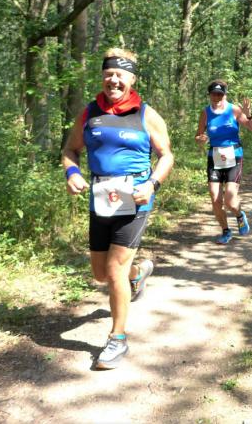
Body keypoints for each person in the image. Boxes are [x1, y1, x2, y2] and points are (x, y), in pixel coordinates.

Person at [62, 48, 174, 370]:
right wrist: (72, 173)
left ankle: (117, 338)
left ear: (132, 79)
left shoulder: (145, 114)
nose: (113, 80)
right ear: (102, 77)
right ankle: (138, 275)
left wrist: (151, 184)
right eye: (108, 74)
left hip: (136, 199)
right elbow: (70, 150)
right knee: (101, 274)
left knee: (114, 270)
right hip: (101, 198)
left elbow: (166, 155)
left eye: (120, 75)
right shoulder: (89, 113)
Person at [195, 80, 252, 244]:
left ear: (225, 95)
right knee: (215, 198)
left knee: (230, 199)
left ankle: (239, 215)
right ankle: (225, 231)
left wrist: (249, 115)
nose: (217, 97)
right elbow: (198, 135)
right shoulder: (205, 113)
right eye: (214, 94)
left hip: (234, 155)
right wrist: (201, 139)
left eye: (220, 94)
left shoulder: (234, 110)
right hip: (215, 156)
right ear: (209, 95)